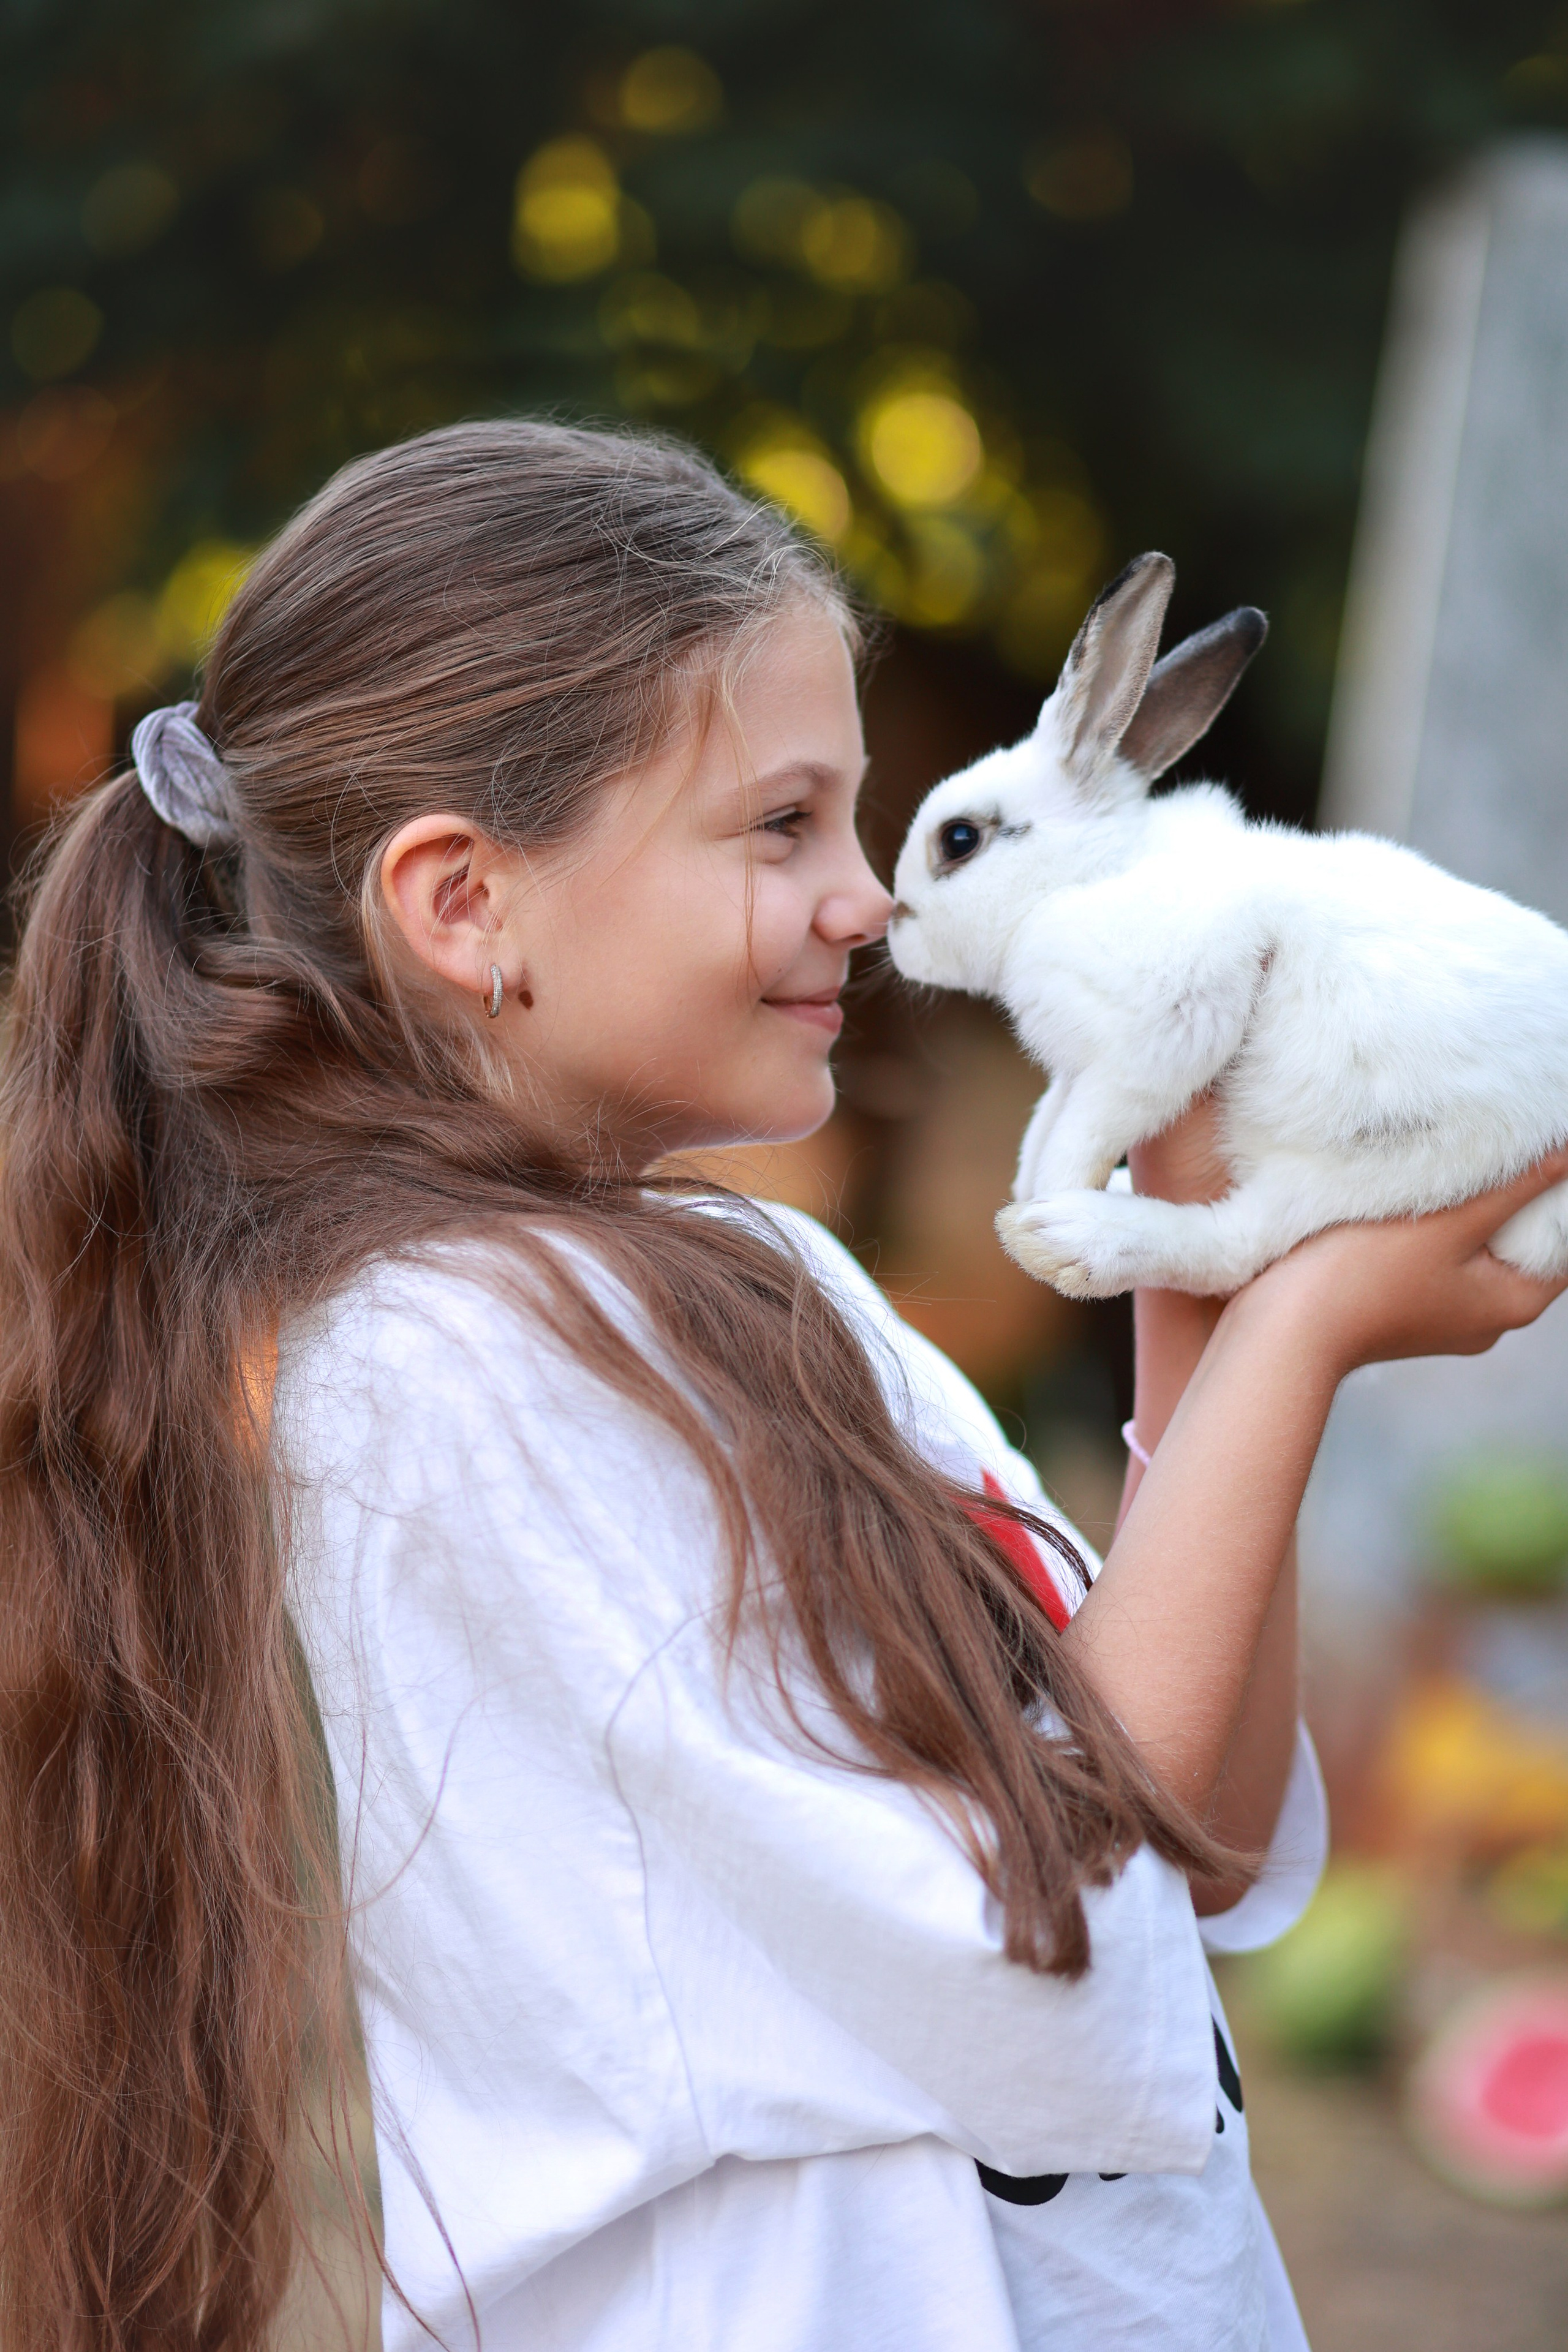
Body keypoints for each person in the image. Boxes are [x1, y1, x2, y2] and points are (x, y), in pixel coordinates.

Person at [0, 420, 1561, 2352]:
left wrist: (1207, 1272)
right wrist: (1311, 1334)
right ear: (466, 902)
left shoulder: (769, 1277)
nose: (869, 900)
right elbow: (1039, 1952)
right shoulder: (453, 1369)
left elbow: (1194, 1835)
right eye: (781, 826)